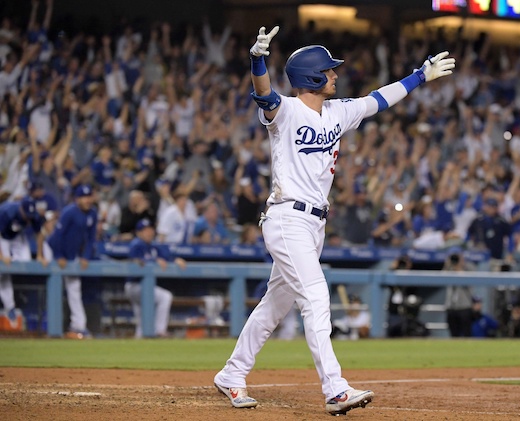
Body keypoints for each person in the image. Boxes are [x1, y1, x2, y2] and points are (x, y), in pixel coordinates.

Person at [213, 25, 455, 416]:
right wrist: (257, 60)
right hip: (287, 218)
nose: (335, 74)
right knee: (316, 296)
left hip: (315, 225)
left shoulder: (340, 111)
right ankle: (335, 388)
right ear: (312, 77)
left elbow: (380, 99)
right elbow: (264, 94)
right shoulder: (287, 111)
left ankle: (232, 374)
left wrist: (419, 76)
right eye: (328, 70)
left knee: (275, 306)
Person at [47, 184, 97, 339]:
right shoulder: (69, 212)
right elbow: (56, 237)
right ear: (77, 199)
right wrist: (59, 255)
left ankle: (78, 326)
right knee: (54, 287)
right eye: (84, 197)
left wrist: (85, 256)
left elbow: (90, 239)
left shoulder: (92, 214)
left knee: (74, 288)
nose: (87, 200)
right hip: (54, 250)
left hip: (72, 255)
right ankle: (53, 327)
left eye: (89, 197)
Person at [125, 218, 186, 338]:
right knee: (165, 297)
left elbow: (165, 256)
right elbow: (136, 260)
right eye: (145, 230)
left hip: (143, 286)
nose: (149, 232)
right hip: (134, 285)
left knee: (141, 321)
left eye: (150, 229)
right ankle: (160, 330)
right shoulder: (136, 244)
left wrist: (175, 260)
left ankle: (141, 337)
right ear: (139, 232)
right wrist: (154, 260)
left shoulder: (152, 246)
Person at [0, 196, 47, 325]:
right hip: (2, 235)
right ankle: (9, 307)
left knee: (25, 261)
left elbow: (39, 234)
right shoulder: (7, 212)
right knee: (3, 272)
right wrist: (2, 255)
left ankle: (11, 305)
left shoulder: (34, 215)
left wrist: (39, 255)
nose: (28, 217)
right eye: (26, 214)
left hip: (15, 236)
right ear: (21, 208)